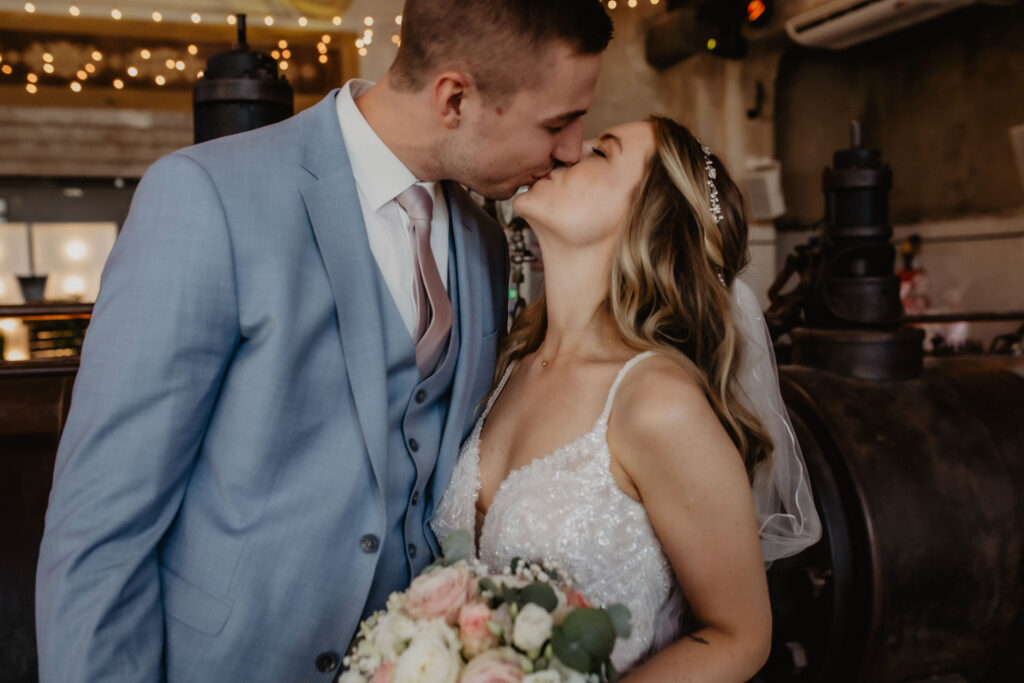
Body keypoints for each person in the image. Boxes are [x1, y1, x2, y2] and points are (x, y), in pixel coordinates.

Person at [34, 1, 613, 681]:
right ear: (455, 98)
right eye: (557, 122)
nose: (574, 148)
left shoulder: (484, 242)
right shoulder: (205, 197)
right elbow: (100, 529)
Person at [431, 116, 822, 679]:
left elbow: (740, 635)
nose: (568, 150)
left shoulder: (657, 402)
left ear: (649, 219)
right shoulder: (507, 364)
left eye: (602, 151)